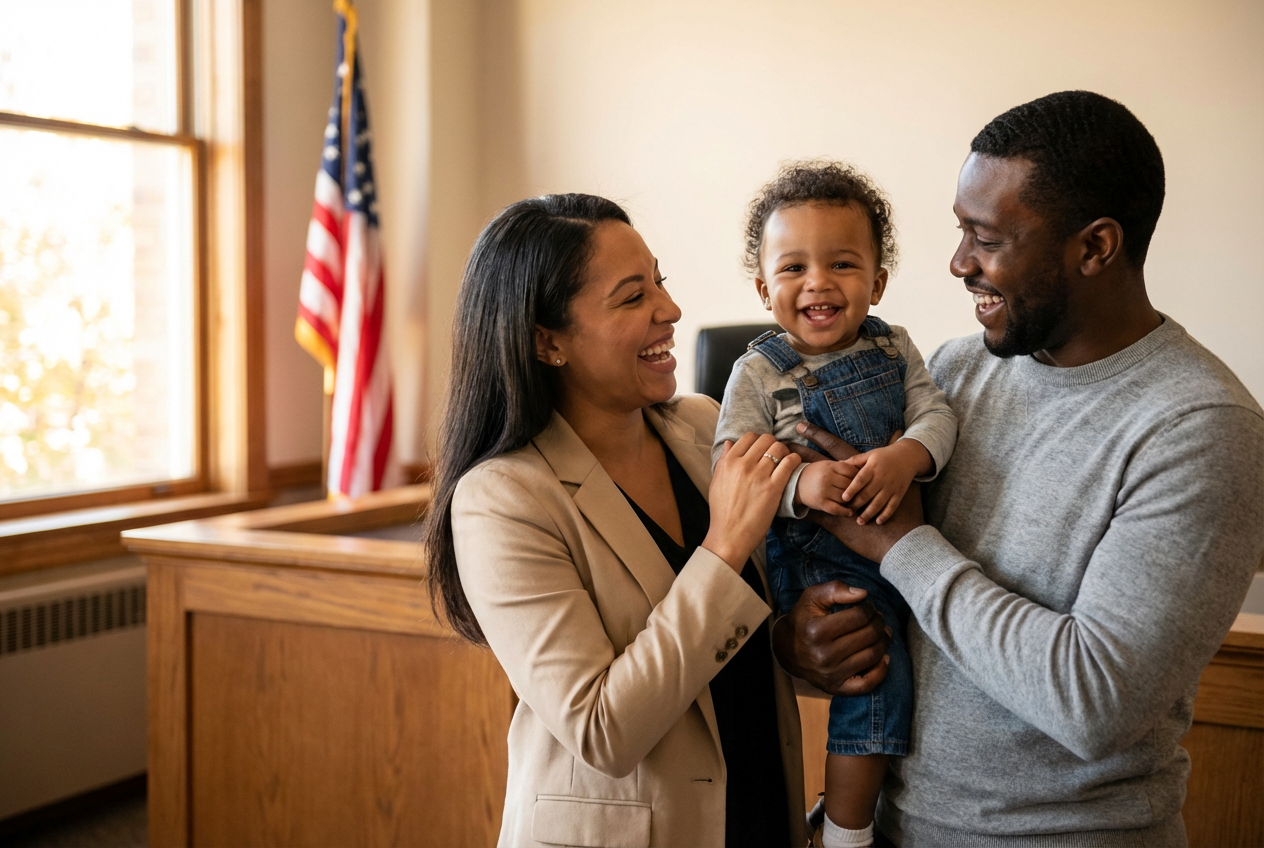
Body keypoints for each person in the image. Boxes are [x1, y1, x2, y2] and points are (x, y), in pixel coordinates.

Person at [777, 91, 1264, 846]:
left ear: (1095, 248)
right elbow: (900, 608)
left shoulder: (1201, 431)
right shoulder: (954, 372)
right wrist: (806, 644)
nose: (958, 263)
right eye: (959, 229)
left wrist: (905, 548)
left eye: (988, 238)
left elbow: (1094, 701)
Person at [421, 193, 892, 847]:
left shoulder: (705, 426)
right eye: (631, 297)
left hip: (758, 815)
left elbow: (733, 643)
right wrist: (724, 547)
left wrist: (793, 646)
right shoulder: (501, 498)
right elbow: (601, 729)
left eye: (661, 282)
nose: (669, 311)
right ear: (547, 340)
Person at [714, 161, 956, 848]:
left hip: (900, 546)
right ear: (765, 288)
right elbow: (726, 467)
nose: (818, 281)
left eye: (842, 264)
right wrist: (797, 488)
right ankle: (848, 836)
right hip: (813, 559)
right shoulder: (758, 373)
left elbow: (935, 417)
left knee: (914, 679)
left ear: (876, 283)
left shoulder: (894, 345)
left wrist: (907, 456)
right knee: (873, 680)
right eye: (793, 269)